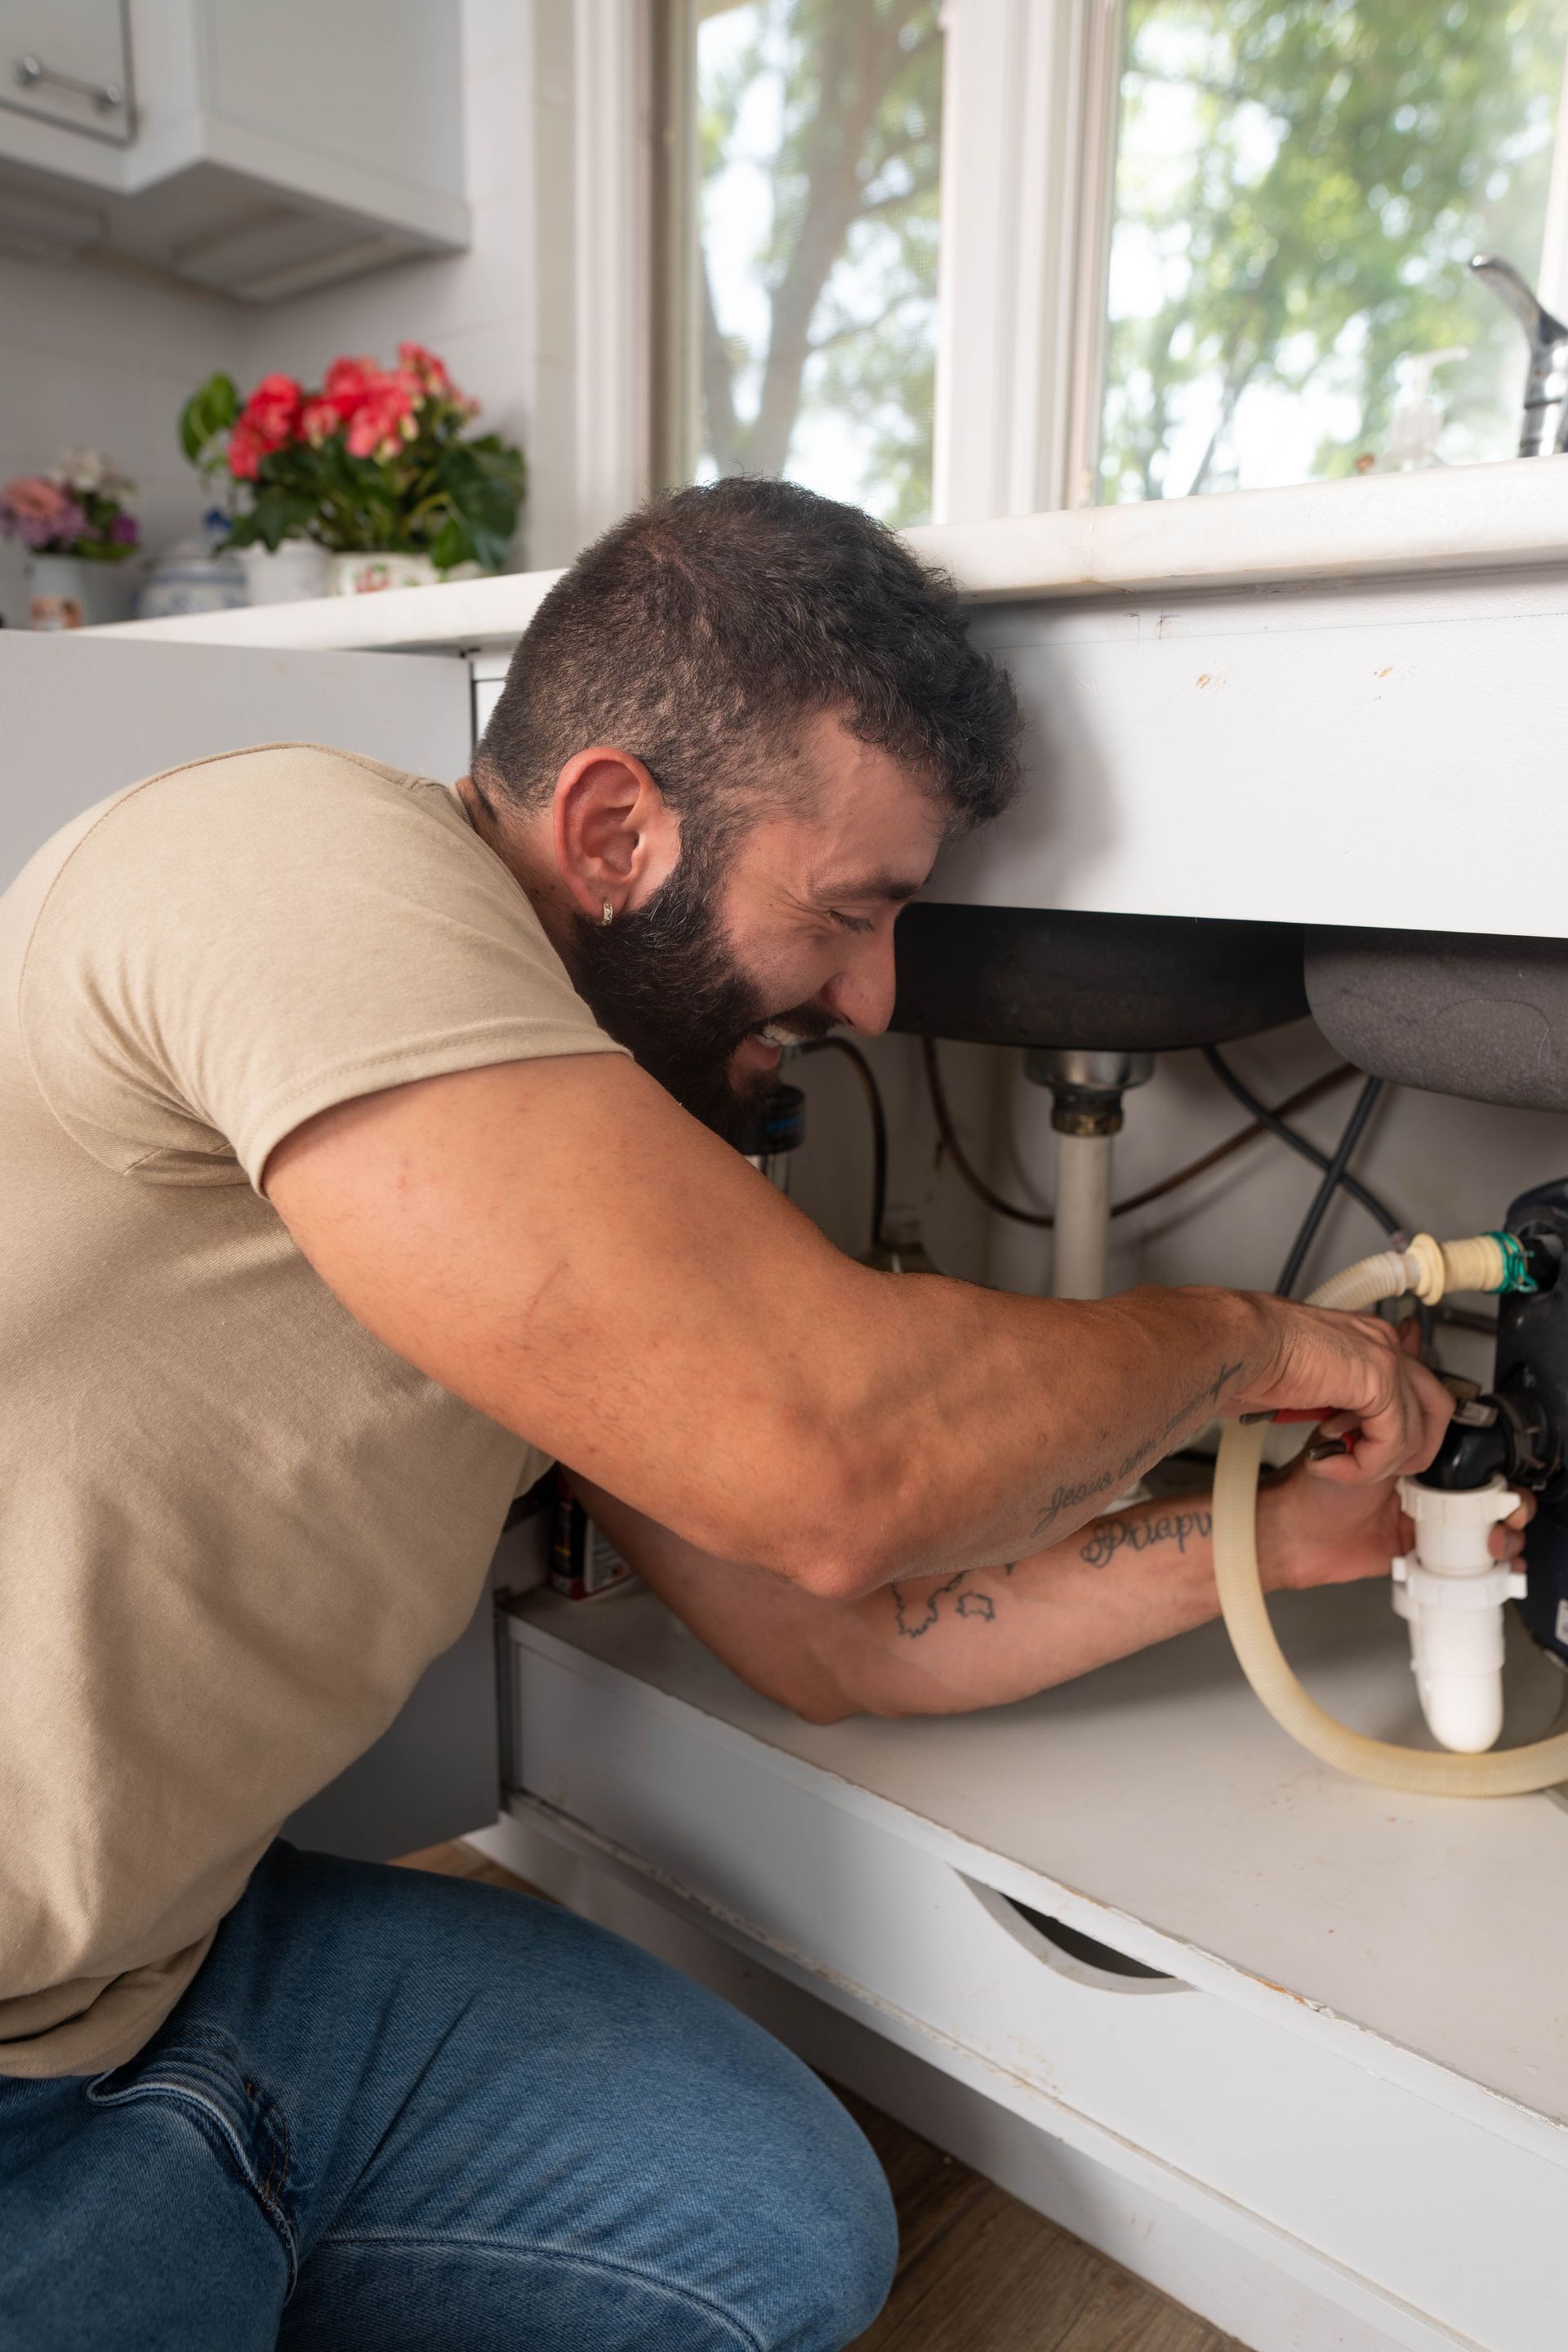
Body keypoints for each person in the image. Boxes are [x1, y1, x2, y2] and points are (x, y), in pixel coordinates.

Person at [0, 477, 1494, 2351]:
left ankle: (189, 2199)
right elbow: (835, 1473)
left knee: (768, 2223)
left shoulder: (596, 1176)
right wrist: (1248, 1339)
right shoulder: (282, 852)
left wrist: (1274, 1541)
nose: (874, 995)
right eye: (853, 911)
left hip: (166, 1979)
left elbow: (835, 1627)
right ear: (615, 823)